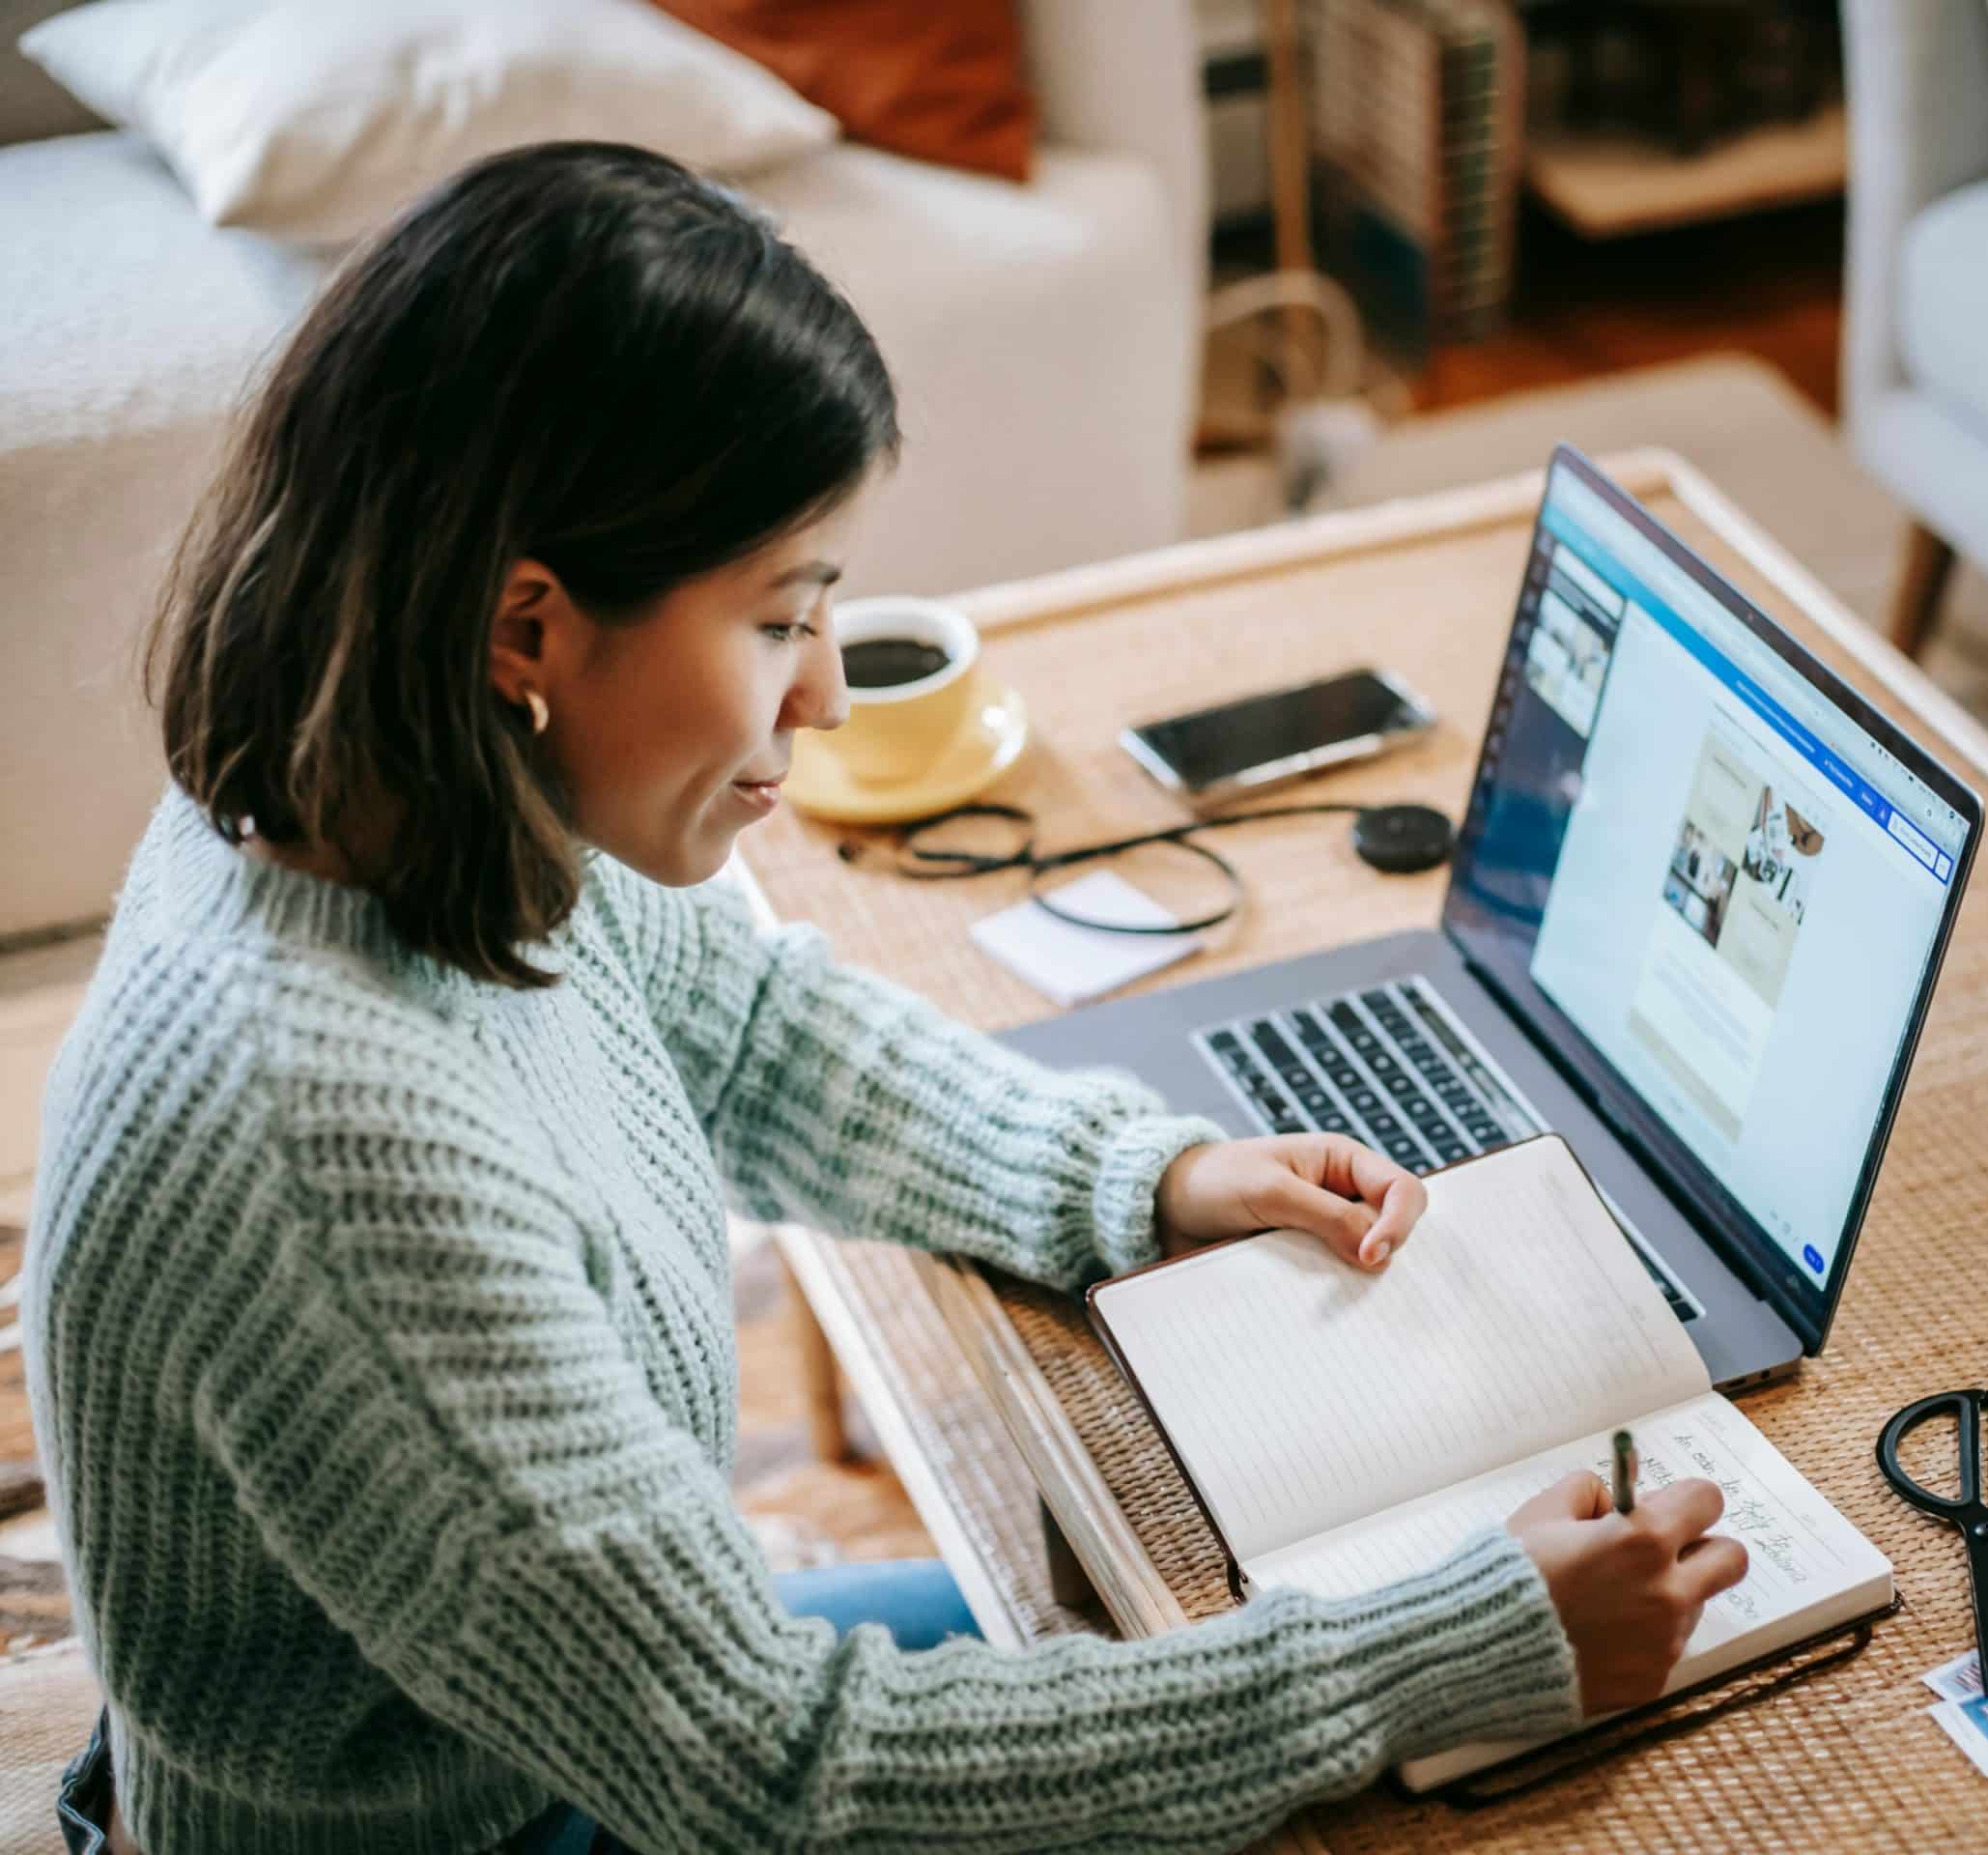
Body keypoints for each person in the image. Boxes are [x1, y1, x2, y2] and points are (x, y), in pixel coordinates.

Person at [22, 142, 1747, 1855]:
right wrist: (1437, 1658)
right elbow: (775, 1774)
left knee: (1160, 1609)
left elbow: (760, 1040)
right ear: (524, 629)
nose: (829, 692)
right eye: (781, 619)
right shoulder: (338, 1149)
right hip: (483, 1829)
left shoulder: (414, 795)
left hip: (547, 1743)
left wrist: (1136, 1181)